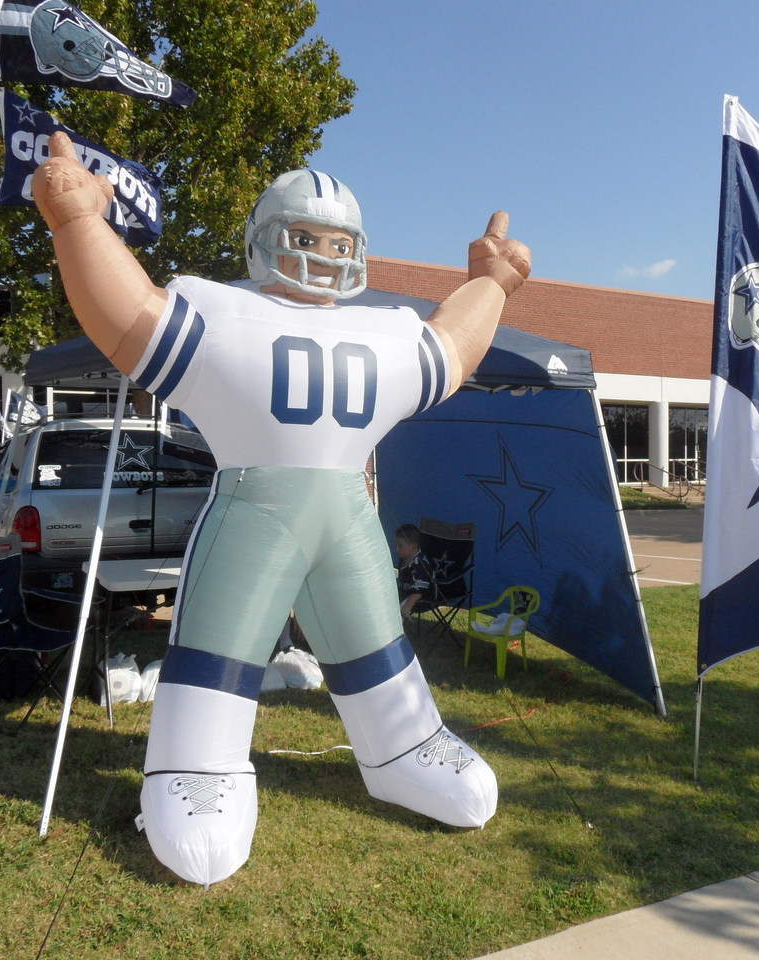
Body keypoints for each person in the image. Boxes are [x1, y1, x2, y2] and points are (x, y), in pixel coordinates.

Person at [32, 132, 530, 886]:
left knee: (376, 641)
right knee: (220, 645)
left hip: (345, 515)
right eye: (305, 237)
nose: (324, 254)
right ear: (268, 241)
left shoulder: (382, 330)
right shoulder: (224, 312)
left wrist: (490, 286)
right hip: (254, 509)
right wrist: (79, 224)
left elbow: (449, 351)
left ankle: (405, 745)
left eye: (337, 241)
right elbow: (129, 315)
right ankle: (196, 765)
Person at [394, 524, 432, 617]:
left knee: (397, 610)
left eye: (400, 546)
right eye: (396, 545)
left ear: (414, 547)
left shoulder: (419, 563)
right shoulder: (404, 559)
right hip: (406, 591)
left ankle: (396, 629)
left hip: (423, 596)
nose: (396, 549)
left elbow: (419, 589)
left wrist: (407, 607)